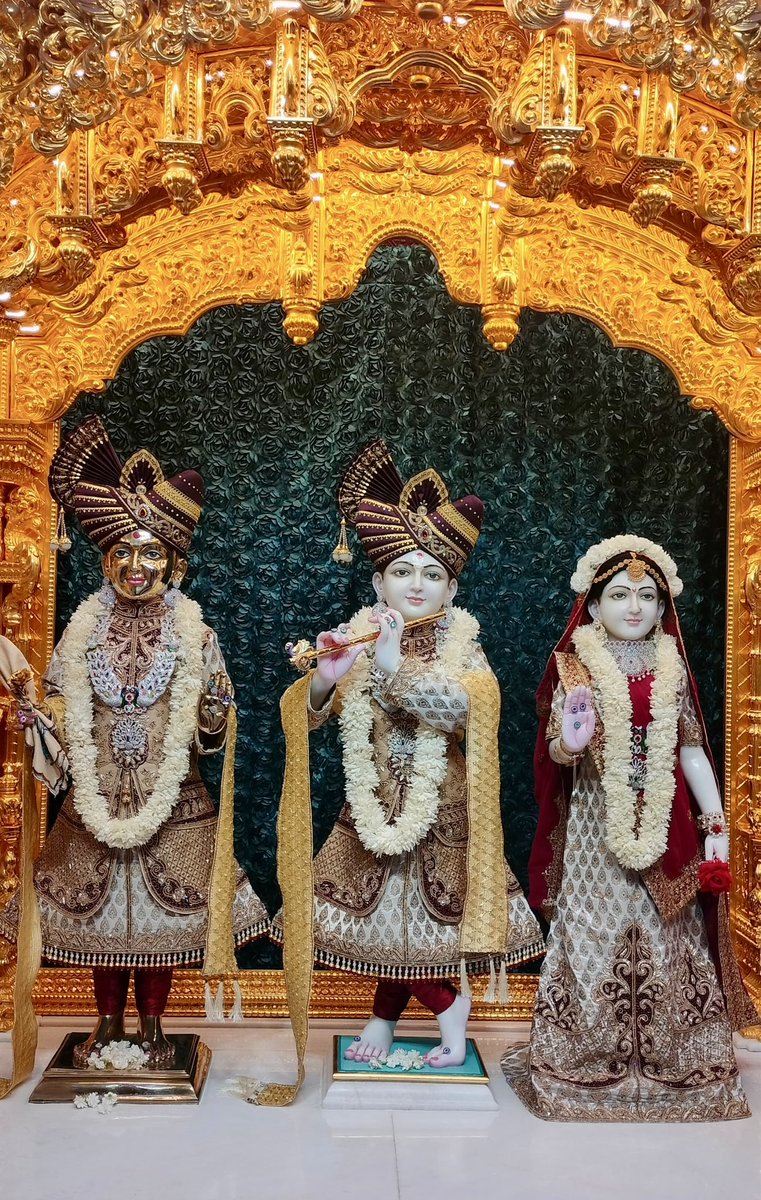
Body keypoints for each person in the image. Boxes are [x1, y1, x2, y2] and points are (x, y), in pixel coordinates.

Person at [0, 416, 268, 1065]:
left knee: (161, 929)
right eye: (123, 552)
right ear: (104, 560)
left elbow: (214, 725)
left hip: (170, 803)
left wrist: (210, 711)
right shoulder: (81, 628)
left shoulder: (196, 634)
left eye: (151, 553)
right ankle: (106, 1023)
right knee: (99, 928)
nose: (137, 566)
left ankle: (152, 1029)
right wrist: (39, 717)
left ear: (174, 563)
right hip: (95, 804)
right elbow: (65, 701)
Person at [271, 440, 543, 1081]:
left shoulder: (465, 644)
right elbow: (312, 716)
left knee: (427, 929)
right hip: (370, 812)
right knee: (387, 930)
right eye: (401, 570)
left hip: (441, 815)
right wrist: (323, 678)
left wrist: (395, 669)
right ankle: (383, 1020)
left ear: (452, 584)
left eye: (430, 573)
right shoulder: (362, 633)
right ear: (377, 581)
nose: (415, 584)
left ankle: (453, 1018)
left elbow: (472, 716)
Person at [502, 535, 758, 1121]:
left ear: (663, 608)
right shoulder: (574, 664)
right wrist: (572, 736)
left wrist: (715, 823)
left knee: (670, 937)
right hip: (596, 829)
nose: (635, 607)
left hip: (667, 828)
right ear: (592, 606)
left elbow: (692, 749)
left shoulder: (672, 665)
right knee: (593, 937)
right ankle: (583, 1065)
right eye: (619, 595)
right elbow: (556, 754)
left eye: (647, 596)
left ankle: (679, 1066)